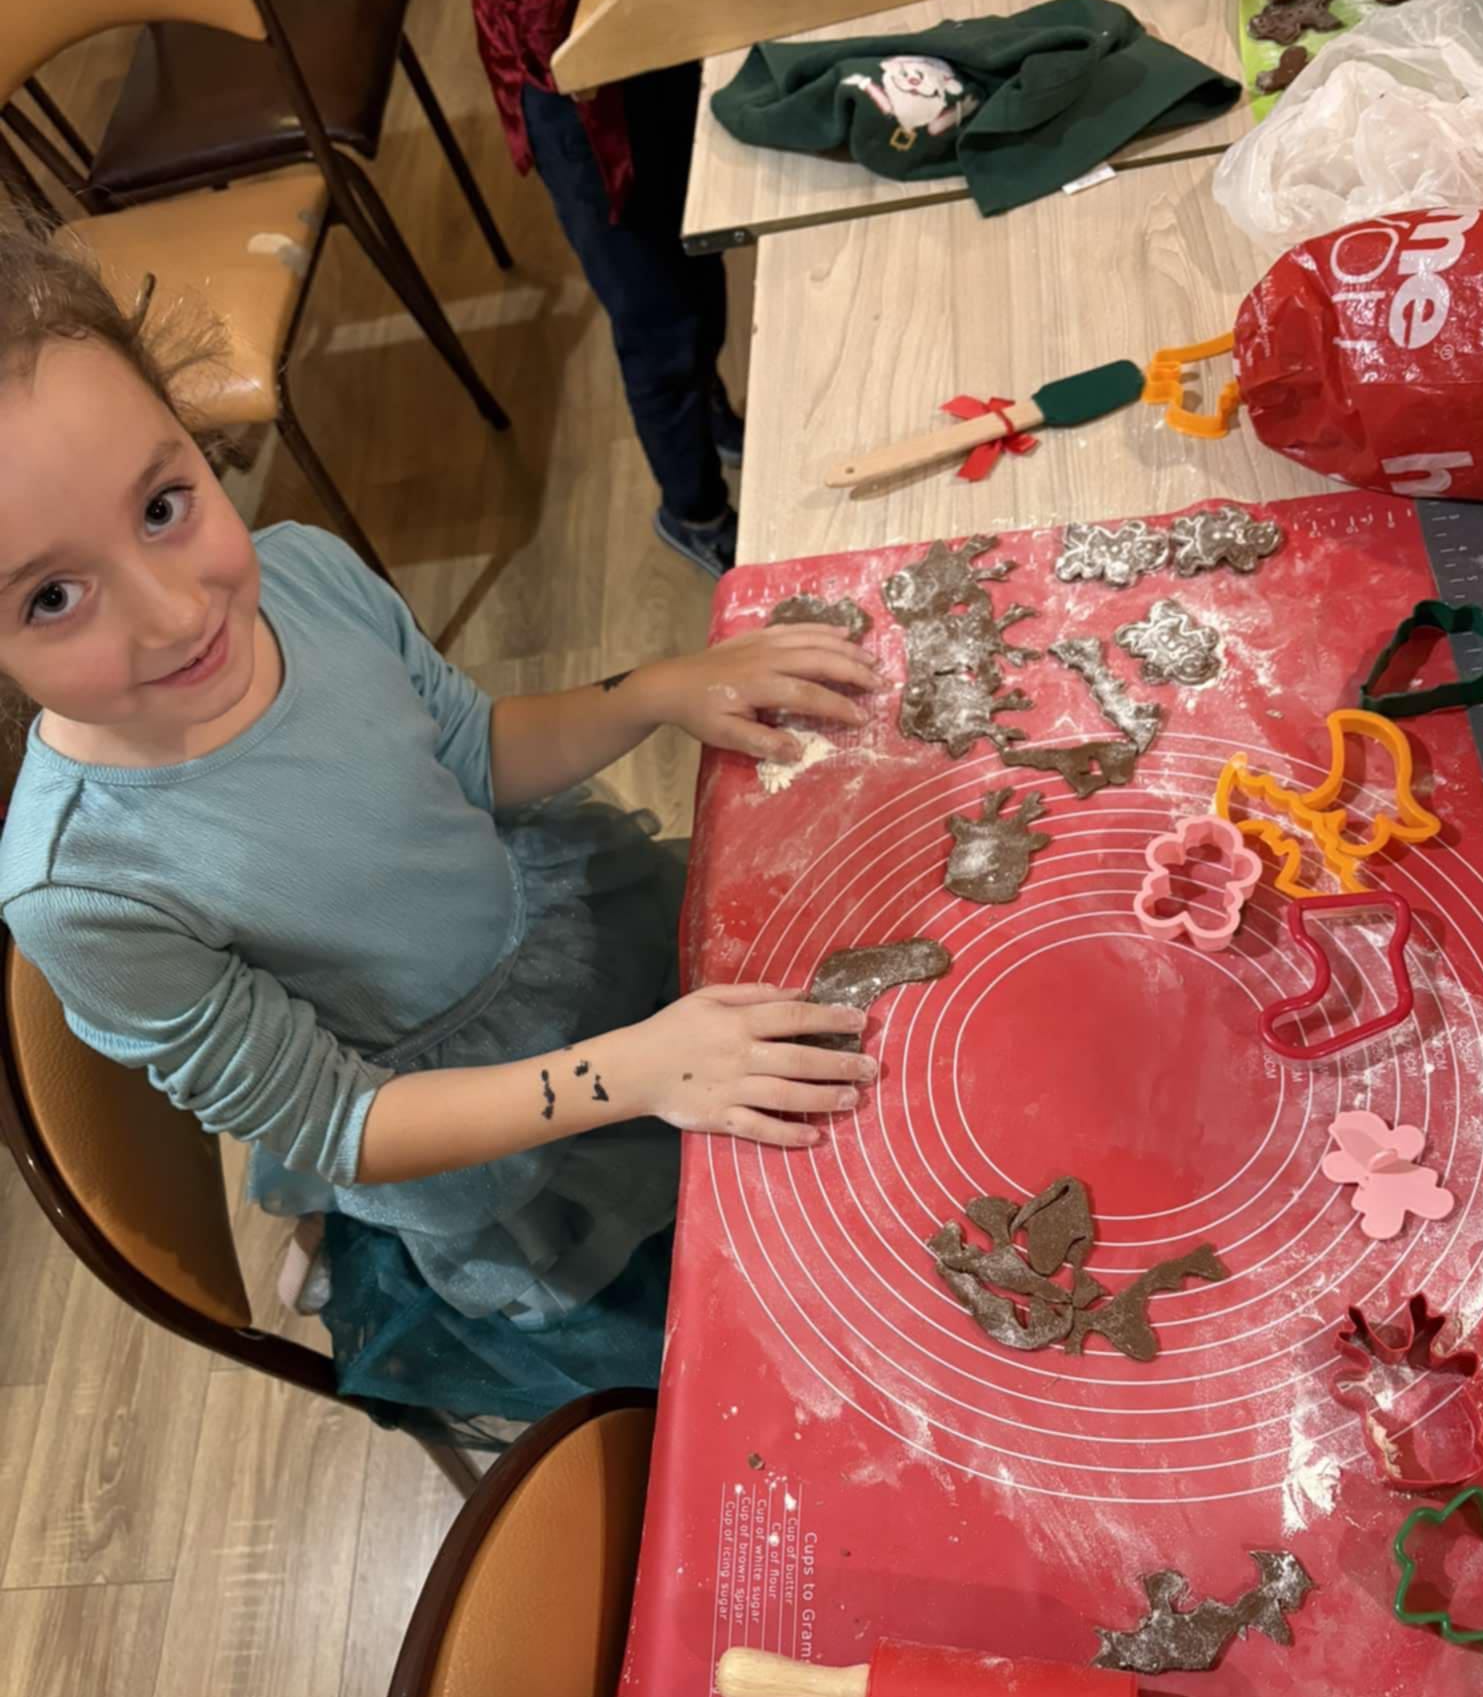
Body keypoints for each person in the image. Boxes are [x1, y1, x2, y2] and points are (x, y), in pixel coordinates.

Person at [0, 233, 879, 1423]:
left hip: (566, 943)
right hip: (467, 1125)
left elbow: (467, 755)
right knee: (732, 1325)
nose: (175, 611)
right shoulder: (82, 888)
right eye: (51, 596)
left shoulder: (302, 574)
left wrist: (657, 690)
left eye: (164, 505)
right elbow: (339, 1116)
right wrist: (635, 1071)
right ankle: (345, 1242)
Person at [472, 0, 742, 577]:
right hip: (572, 71)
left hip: (646, 19)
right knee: (657, 320)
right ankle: (694, 511)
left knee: (698, 252)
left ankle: (709, 411)